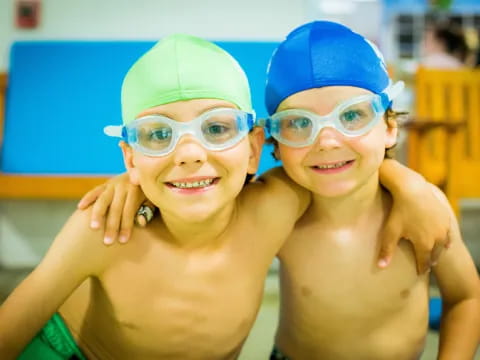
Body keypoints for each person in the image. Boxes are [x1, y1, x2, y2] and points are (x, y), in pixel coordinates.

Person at [80, 22, 476, 359]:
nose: (327, 141)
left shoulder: (423, 209)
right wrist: (135, 185)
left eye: (352, 115)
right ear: (274, 143)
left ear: (390, 124)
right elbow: (200, 193)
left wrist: (412, 185)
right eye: (298, 123)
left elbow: (466, 298)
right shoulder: (277, 210)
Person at [0, 34, 313, 360]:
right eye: (160, 134)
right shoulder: (105, 227)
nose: (189, 154)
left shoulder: (275, 207)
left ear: (252, 148)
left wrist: (375, 163)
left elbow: (338, 170)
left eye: (217, 129)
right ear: (131, 160)